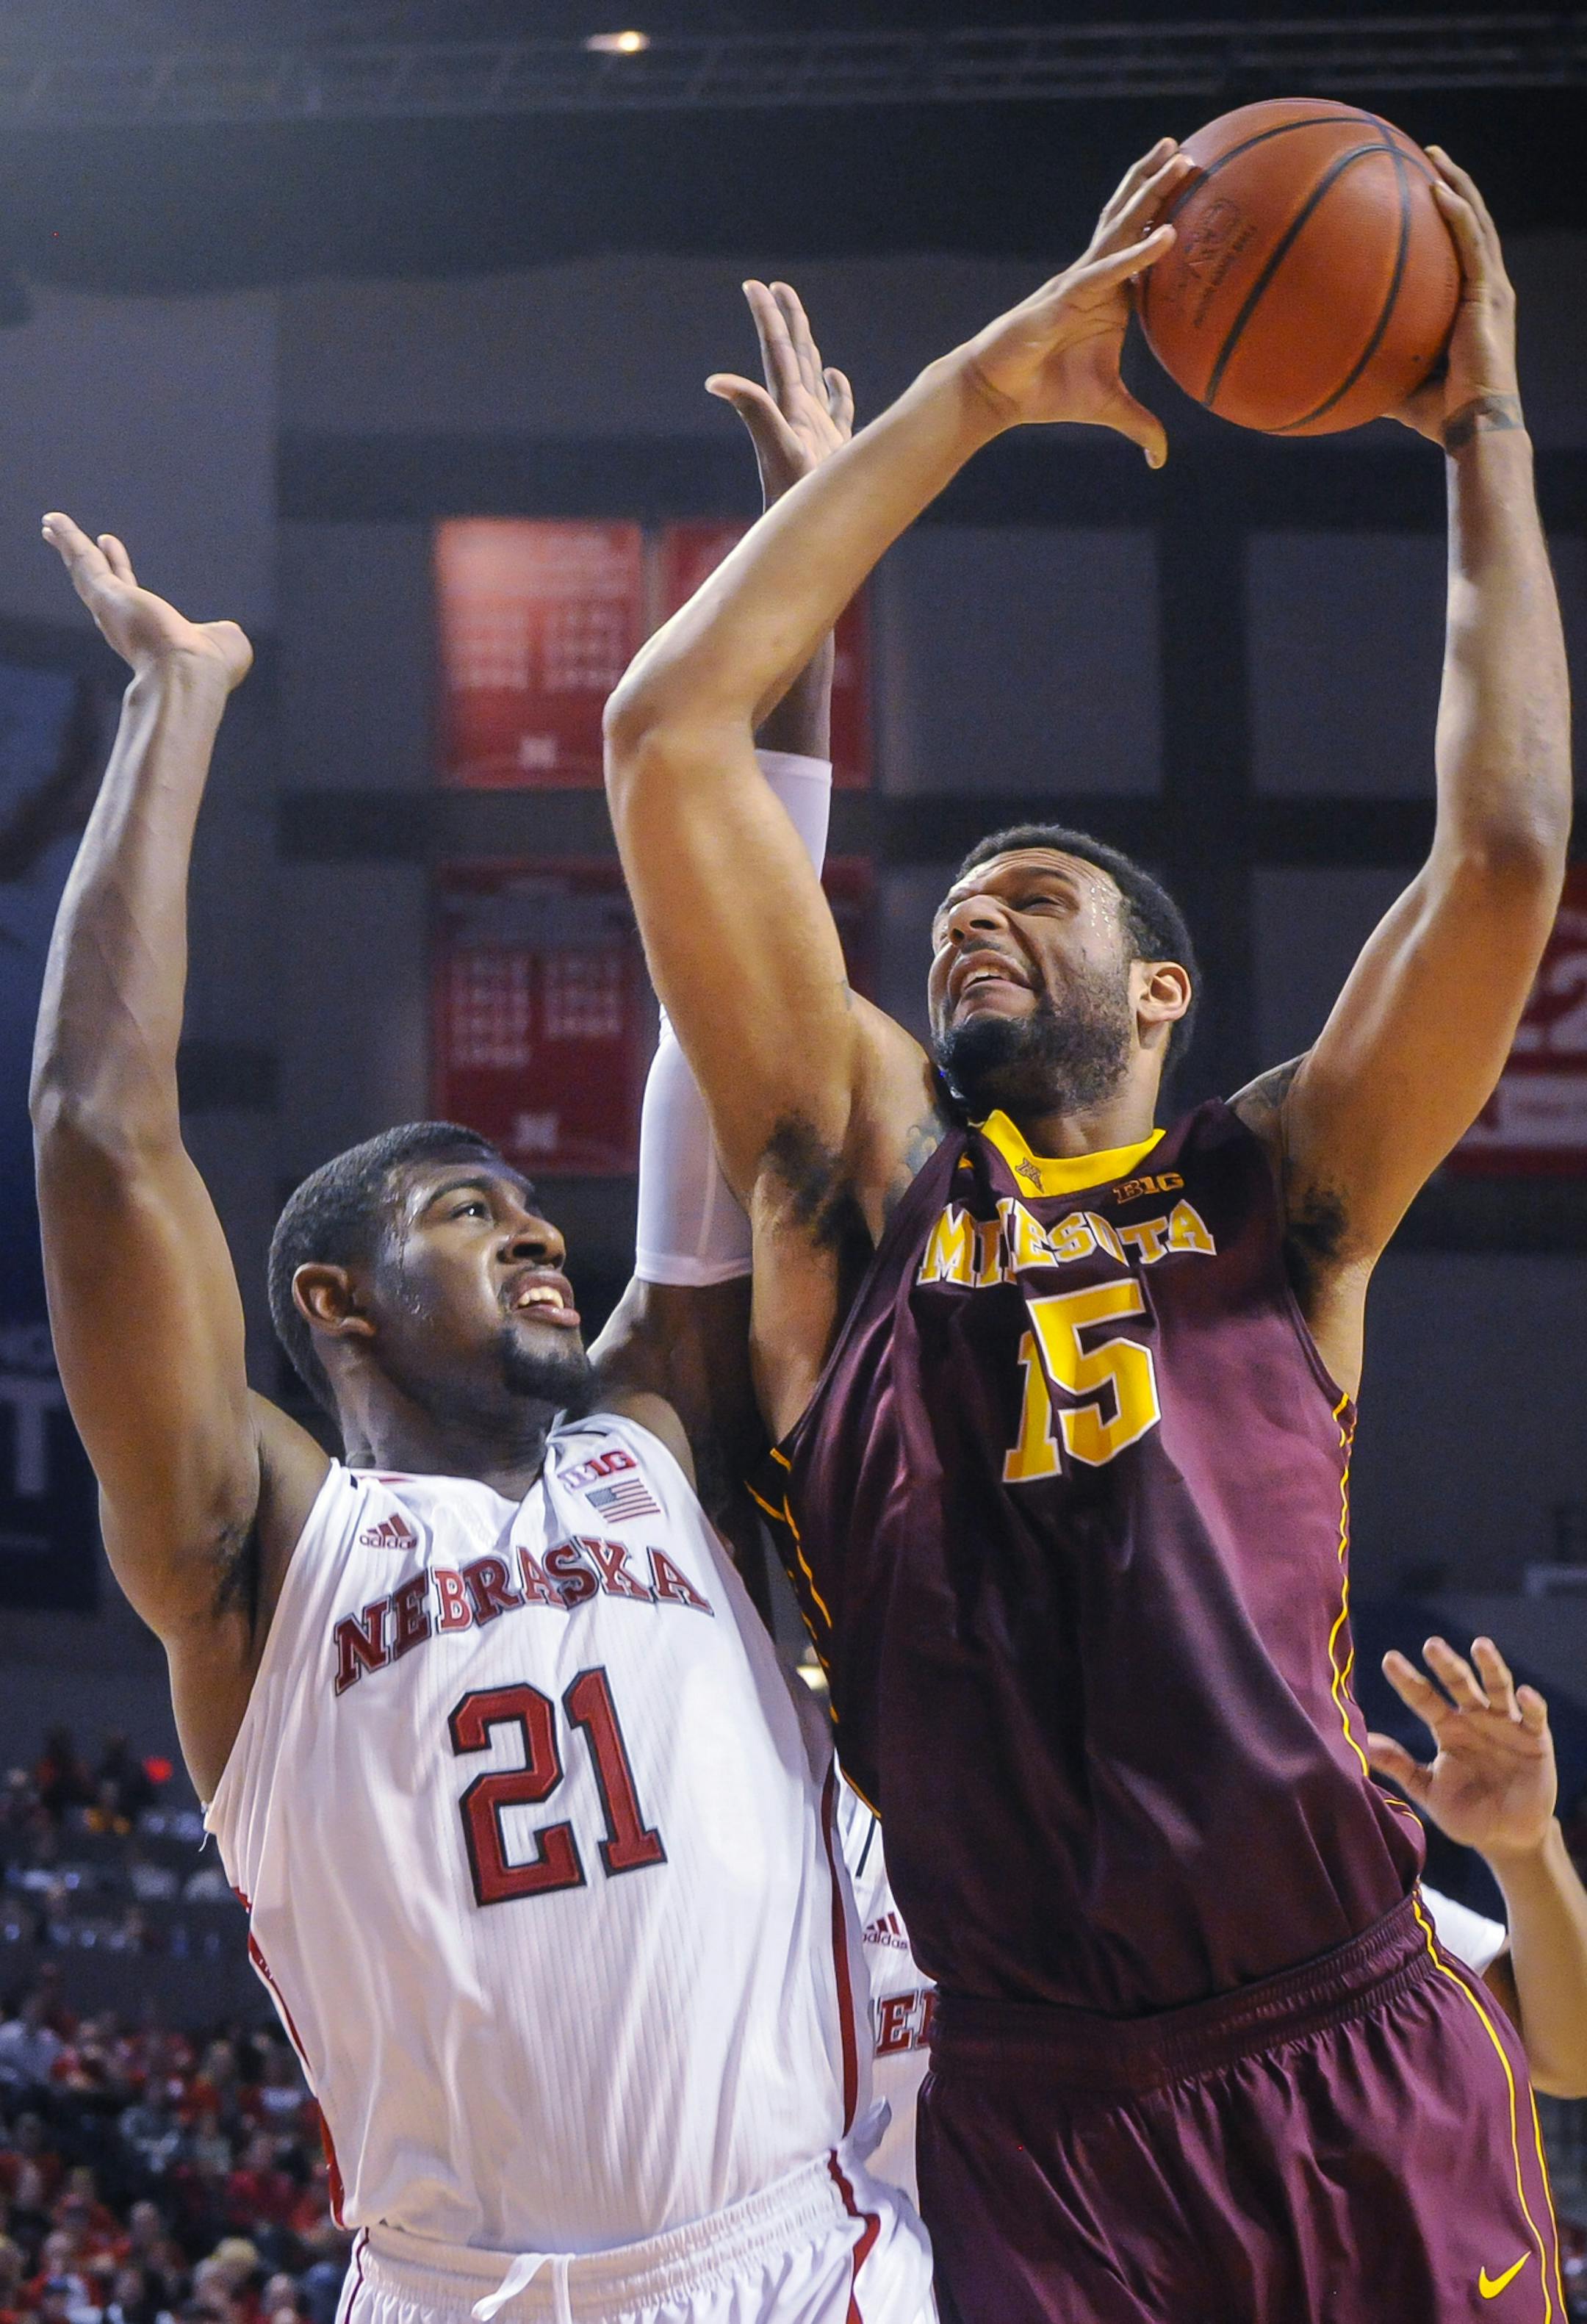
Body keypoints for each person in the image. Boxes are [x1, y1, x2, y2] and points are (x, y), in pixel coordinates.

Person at [603, 134, 1573, 2321]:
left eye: (1031, 905)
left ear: (1163, 991)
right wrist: (974, 394)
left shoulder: (1283, 1191)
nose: (972, 922)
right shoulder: (854, 1197)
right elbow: (667, 735)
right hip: (1037, 2101)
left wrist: (1484, 418)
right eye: (950, 912)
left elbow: (1505, 843)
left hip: (1353, 2030)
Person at [30, 521, 931, 2324]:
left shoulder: (654, 1440)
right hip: (457, 2291)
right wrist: (173, 705)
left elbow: (727, 1046)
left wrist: (808, 588)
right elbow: (100, 1133)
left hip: (794, 2256)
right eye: (466, 1209)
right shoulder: (262, 1556)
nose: (534, 1227)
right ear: (331, 1301)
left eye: (532, 1207)